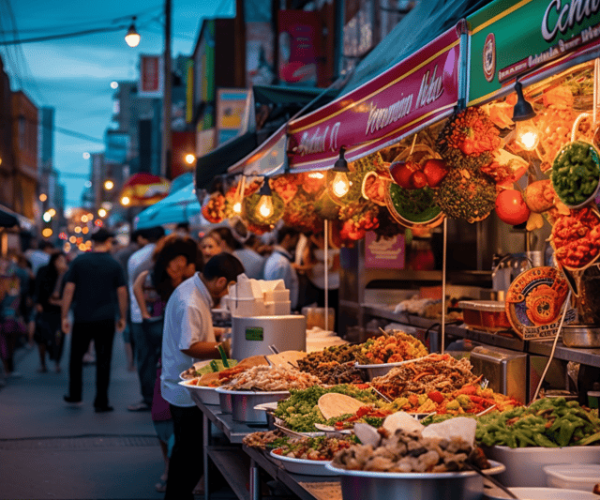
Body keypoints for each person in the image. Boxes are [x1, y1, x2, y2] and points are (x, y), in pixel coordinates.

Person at [161, 253, 244, 500]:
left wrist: (223, 332)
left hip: (185, 382)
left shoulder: (194, 290)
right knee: (188, 457)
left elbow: (196, 330)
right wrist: (227, 348)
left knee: (187, 454)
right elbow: (189, 345)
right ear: (220, 281)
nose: (228, 292)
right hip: (184, 389)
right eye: (229, 286)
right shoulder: (191, 301)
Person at [132, 234, 198, 493]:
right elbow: (137, 285)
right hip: (162, 346)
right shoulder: (153, 278)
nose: (176, 266)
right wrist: (145, 312)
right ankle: (168, 466)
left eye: (180, 260)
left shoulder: (190, 281)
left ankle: (181, 469)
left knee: (185, 418)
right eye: (171, 260)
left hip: (182, 351)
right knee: (160, 411)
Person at [61, 228, 128, 412]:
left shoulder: (79, 262)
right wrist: (122, 316)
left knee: (76, 358)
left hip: (82, 316)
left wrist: (64, 315)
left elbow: (69, 289)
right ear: (107, 242)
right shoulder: (114, 265)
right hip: (106, 318)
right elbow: (121, 292)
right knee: (104, 360)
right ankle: (101, 401)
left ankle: (75, 395)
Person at [127, 226, 165, 412]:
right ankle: (159, 396)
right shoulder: (159, 255)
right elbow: (137, 285)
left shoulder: (136, 257)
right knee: (162, 357)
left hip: (139, 315)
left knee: (145, 358)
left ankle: (148, 396)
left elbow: (132, 287)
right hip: (155, 313)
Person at [33, 251, 69, 373]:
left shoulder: (66, 274)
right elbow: (38, 288)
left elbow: (67, 292)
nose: (62, 263)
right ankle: (42, 363)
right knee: (42, 337)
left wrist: (62, 274)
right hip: (45, 309)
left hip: (59, 312)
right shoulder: (43, 271)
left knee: (58, 336)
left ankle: (57, 361)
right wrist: (37, 303)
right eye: (59, 260)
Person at [113, 229, 143, 372]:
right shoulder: (143, 256)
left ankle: (130, 362)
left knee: (127, 331)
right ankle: (137, 360)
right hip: (139, 297)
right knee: (138, 330)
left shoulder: (119, 255)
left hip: (122, 297)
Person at [263, 226, 301, 311]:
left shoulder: (278, 259)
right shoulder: (281, 262)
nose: (297, 243)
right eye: (296, 239)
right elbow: (277, 294)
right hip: (283, 312)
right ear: (287, 237)